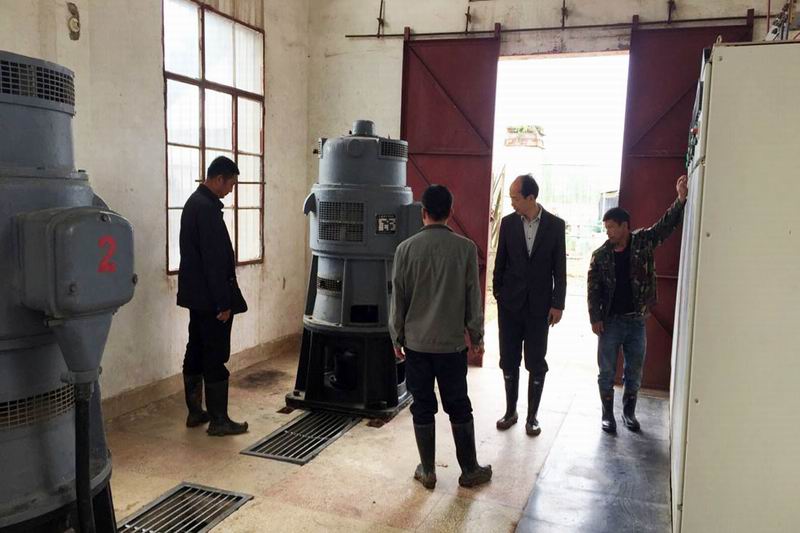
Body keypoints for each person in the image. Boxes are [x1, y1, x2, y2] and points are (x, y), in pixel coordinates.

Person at [389, 184, 492, 490]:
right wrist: (477, 337)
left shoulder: (405, 249)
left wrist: (396, 337)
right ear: (451, 211)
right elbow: (473, 298)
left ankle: (428, 471)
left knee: (422, 405)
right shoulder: (465, 249)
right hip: (451, 346)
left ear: (423, 213)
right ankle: (469, 470)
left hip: (416, 346)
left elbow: (398, 299)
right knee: (458, 404)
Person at [588, 175, 688, 433]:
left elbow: (664, 227)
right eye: (606, 228)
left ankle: (628, 413)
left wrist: (680, 200)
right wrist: (595, 318)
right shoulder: (600, 256)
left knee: (634, 370)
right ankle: (607, 415)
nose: (608, 232)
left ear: (625, 226)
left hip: (636, 321)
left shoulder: (642, 242)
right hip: (610, 322)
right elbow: (593, 289)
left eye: (612, 227)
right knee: (606, 371)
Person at [177, 156, 249, 437]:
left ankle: (195, 412)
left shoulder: (194, 203)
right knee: (215, 354)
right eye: (231, 184)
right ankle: (219, 421)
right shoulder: (206, 209)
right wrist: (223, 302)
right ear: (219, 179)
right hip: (210, 299)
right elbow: (214, 261)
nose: (231, 189)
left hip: (196, 296)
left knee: (195, 348)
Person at [492, 174, 566, 436]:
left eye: (515, 198)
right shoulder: (508, 223)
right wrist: (499, 293)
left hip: (539, 307)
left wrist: (558, 304)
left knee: (536, 360)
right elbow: (500, 262)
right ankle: (510, 411)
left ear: (530, 198)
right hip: (510, 306)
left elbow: (560, 269)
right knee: (508, 359)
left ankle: (532, 417)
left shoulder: (555, 226)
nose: (512, 202)